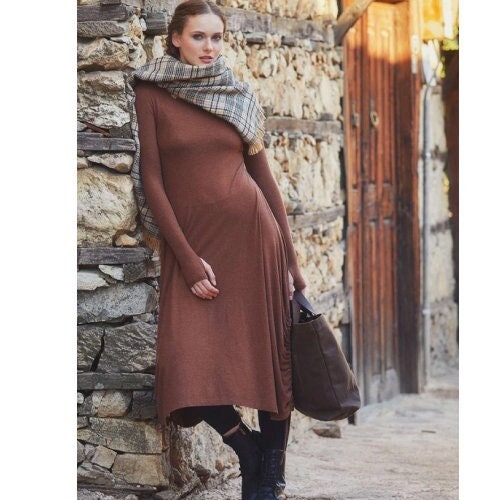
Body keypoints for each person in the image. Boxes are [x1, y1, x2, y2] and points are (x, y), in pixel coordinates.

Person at [126, 1, 306, 499]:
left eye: (217, 37)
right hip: (195, 246)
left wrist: (291, 262)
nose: (210, 47)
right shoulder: (150, 92)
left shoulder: (237, 94)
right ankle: (247, 449)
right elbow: (152, 180)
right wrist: (187, 259)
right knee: (184, 362)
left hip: (255, 240)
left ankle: (269, 478)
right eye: (199, 37)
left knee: (271, 362)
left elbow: (264, 179)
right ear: (175, 38)